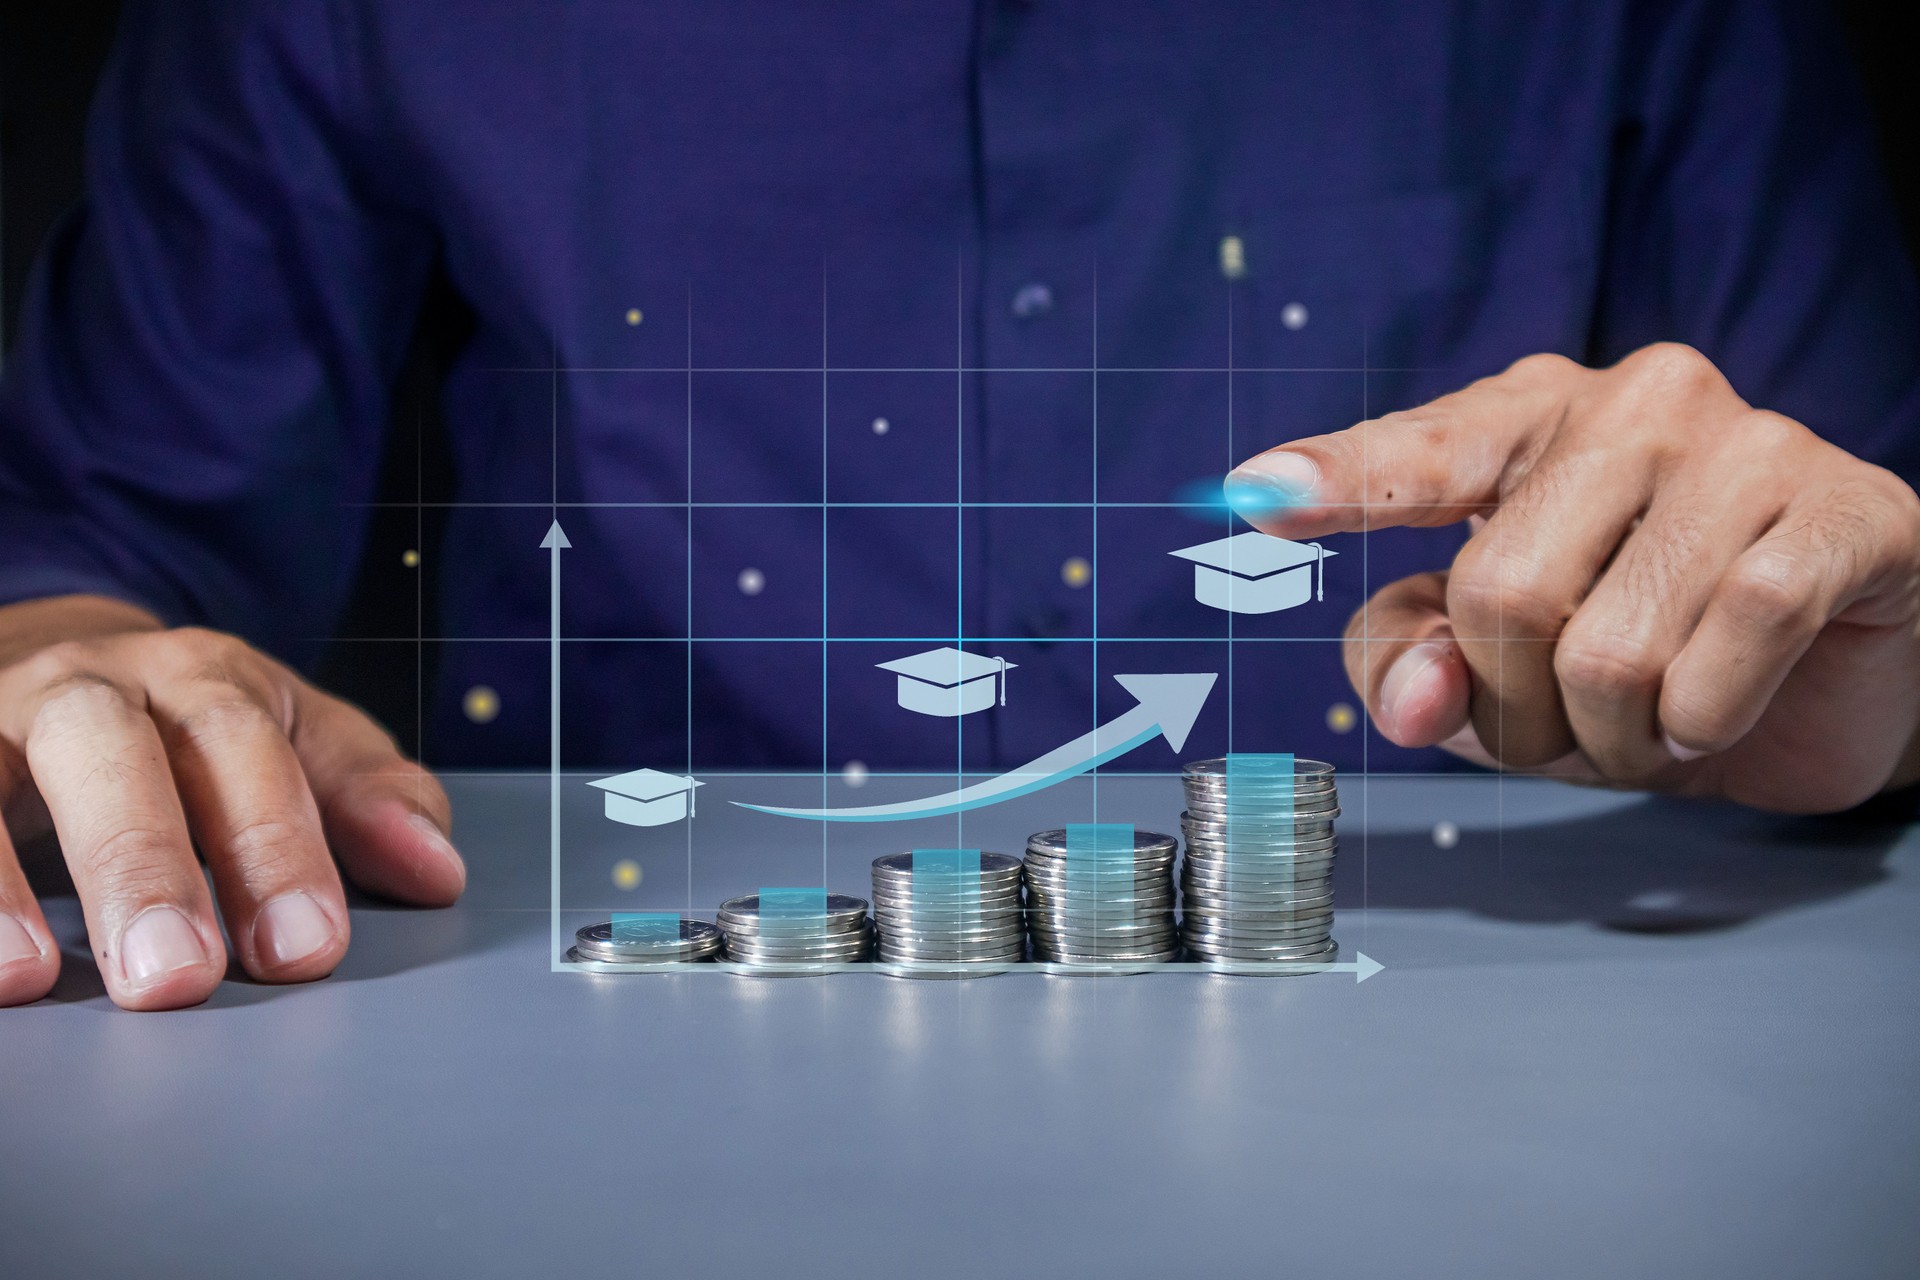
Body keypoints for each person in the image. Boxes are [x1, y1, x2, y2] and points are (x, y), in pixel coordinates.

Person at [0, 1, 1915, 1011]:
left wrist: (1878, 689)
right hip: (619, 1017)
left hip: (1493, 1059)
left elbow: (1841, 559)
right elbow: (100, 541)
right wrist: (67, 670)